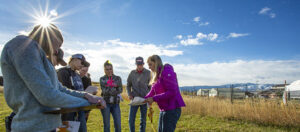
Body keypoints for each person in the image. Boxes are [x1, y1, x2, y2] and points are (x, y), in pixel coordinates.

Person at [1, 24, 104, 132]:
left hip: (49, 126)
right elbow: (47, 95)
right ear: (50, 37)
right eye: (58, 45)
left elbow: (59, 88)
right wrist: (89, 103)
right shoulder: (23, 44)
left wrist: (85, 95)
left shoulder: (40, 57)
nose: (56, 51)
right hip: (32, 127)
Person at [144, 55, 186, 132]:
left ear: (156, 63)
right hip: (163, 109)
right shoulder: (157, 76)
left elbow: (172, 92)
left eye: (150, 64)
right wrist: (143, 99)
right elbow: (152, 91)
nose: (149, 67)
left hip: (172, 108)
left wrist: (154, 98)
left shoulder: (167, 72)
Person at [57, 54, 91, 132]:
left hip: (79, 109)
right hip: (67, 112)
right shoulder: (63, 72)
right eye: (81, 62)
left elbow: (80, 90)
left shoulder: (77, 74)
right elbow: (65, 92)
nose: (82, 65)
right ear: (74, 59)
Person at [127, 57, 151, 132]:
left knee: (143, 120)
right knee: (131, 119)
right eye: (138, 65)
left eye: (141, 64)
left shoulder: (148, 73)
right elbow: (128, 85)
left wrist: (149, 96)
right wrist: (129, 94)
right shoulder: (132, 73)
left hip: (144, 100)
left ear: (143, 64)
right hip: (135, 99)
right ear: (136, 64)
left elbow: (151, 86)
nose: (139, 66)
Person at [100, 60, 122, 132]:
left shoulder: (118, 78)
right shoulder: (102, 79)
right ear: (104, 70)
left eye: (110, 69)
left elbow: (120, 90)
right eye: (107, 69)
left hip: (116, 104)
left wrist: (109, 87)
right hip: (105, 104)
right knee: (107, 125)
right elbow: (104, 92)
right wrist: (114, 86)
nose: (109, 71)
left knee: (118, 124)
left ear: (112, 69)